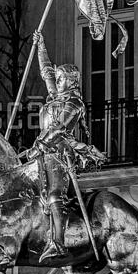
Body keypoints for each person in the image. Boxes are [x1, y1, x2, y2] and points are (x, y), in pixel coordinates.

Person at [27, 30, 105, 261]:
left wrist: (38, 145)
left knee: (54, 195)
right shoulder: (55, 97)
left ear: (70, 81)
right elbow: (46, 72)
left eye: (61, 79)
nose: (56, 81)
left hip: (60, 155)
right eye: (58, 79)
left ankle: (58, 243)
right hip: (42, 153)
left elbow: (59, 128)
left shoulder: (74, 103)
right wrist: (40, 46)